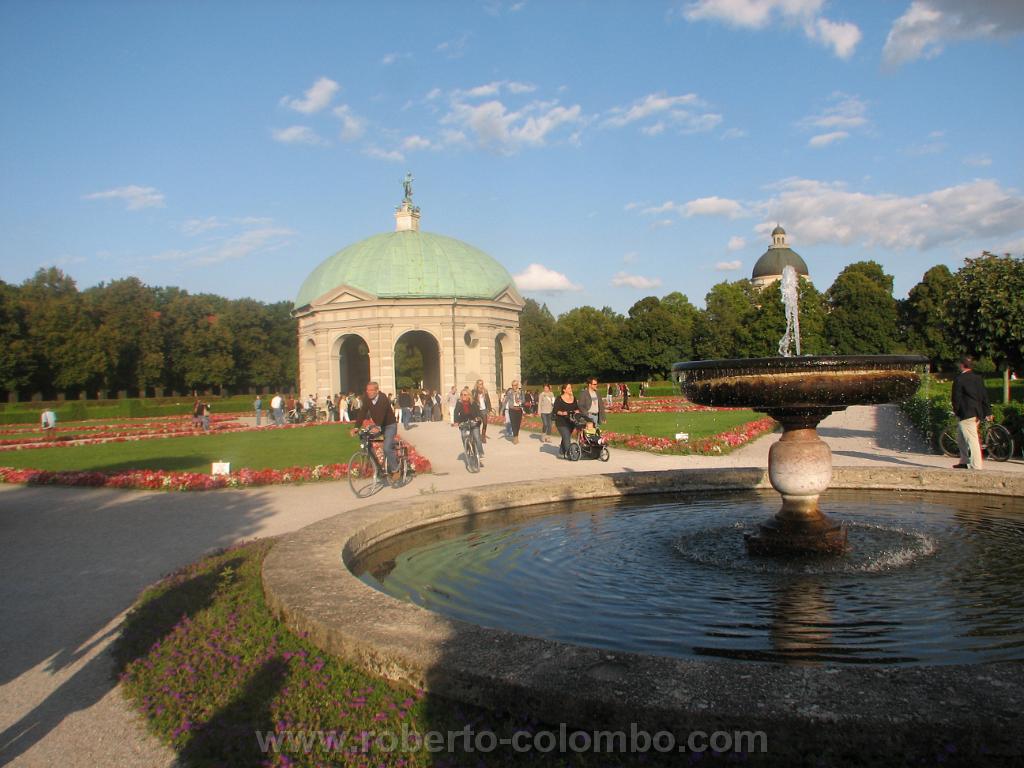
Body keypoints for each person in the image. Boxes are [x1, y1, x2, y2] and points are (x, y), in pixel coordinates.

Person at [351, 381, 400, 482]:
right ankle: (378, 469)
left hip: (389, 425)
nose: (368, 392)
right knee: (366, 442)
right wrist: (356, 427)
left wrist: (378, 426)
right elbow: (362, 412)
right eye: (367, 390)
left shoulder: (383, 398)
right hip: (378, 425)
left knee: (386, 448)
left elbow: (382, 413)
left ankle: (395, 470)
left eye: (371, 390)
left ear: (377, 391)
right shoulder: (367, 399)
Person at [952, 356, 992, 470]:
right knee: (960, 438)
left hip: (965, 413)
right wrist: (987, 412)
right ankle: (964, 461)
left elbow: (956, 397)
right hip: (976, 412)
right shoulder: (978, 378)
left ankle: (976, 465)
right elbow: (984, 396)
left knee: (972, 439)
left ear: (961, 365)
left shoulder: (959, 379)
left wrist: (956, 411)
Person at [453, 386, 484, 466]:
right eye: (462, 394)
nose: (463, 396)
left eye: (465, 395)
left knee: (476, 437)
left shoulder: (473, 402)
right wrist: (456, 422)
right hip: (463, 422)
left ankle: (480, 454)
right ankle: (468, 451)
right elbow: (456, 412)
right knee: (464, 436)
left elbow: (478, 412)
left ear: (469, 395)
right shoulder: (459, 403)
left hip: (473, 422)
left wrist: (478, 417)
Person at [553, 383, 581, 459]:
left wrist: (577, 411)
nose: (570, 389)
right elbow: (555, 410)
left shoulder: (574, 398)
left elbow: (577, 408)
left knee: (566, 437)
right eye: (568, 388)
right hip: (561, 422)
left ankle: (561, 452)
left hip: (571, 422)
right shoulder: (559, 398)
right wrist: (562, 413)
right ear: (564, 390)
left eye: (571, 387)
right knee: (566, 436)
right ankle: (570, 454)